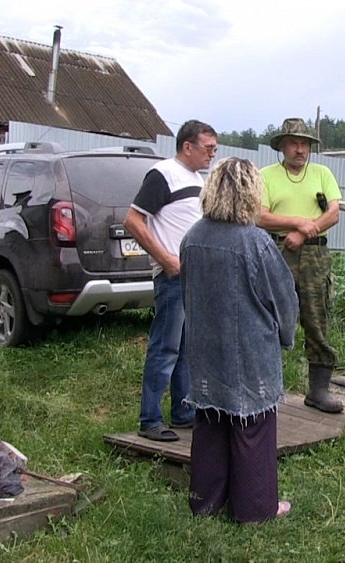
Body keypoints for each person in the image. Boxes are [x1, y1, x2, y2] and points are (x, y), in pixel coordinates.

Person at [181, 157, 298, 523]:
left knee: (210, 424)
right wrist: (286, 336)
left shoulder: (192, 237)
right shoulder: (256, 243)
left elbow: (187, 292)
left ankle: (206, 503)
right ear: (249, 194)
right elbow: (283, 299)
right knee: (253, 429)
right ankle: (255, 510)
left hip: (204, 349)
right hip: (250, 353)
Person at [123, 119, 217, 442]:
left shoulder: (197, 179)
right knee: (165, 347)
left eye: (215, 149)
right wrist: (165, 259)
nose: (212, 155)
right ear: (187, 146)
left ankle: (183, 411)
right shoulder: (162, 174)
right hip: (172, 277)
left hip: (194, 278)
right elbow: (132, 221)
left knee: (187, 349)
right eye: (208, 148)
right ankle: (149, 419)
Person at [258, 118, 344, 413]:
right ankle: (265, 387)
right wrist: (295, 222)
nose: (300, 149)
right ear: (282, 146)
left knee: (316, 317)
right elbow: (260, 216)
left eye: (304, 143)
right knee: (269, 318)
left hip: (315, 256)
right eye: (294, 143)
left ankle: (318, 391)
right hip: (276, 252)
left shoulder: (322, 173)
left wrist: (305, 230)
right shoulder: (266, 176)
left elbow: (333, 213)